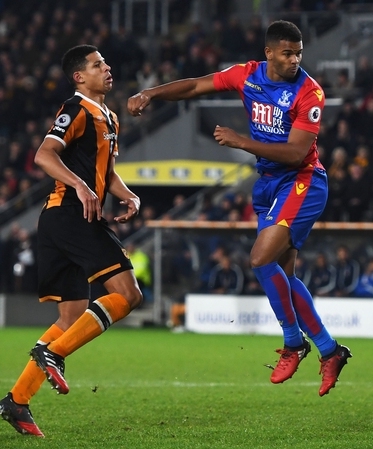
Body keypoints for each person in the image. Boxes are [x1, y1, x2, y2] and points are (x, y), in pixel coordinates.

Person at [127, 21, 351, 396]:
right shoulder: (246, 76)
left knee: (261, 259)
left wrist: (240, 142)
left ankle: (294, 342)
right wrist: (151, 93)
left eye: (298, 53)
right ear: (269, 53)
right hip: (267, 185)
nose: (295, 60)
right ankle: (330, 350)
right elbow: (197, 85)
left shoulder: (309, 92)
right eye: (287, 53)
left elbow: (298, 152)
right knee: (283, 275)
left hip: (303, 181)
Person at [0, 45, 143, 437]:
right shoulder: (75, 109)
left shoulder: (109, 115)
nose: (107, 68)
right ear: (79, 77)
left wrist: (127, 193)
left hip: (67, 219)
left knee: (70, 318)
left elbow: (106, 171)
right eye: (98, 65)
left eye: (106, 63)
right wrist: (80, 186)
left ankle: (18, 400)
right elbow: (44, 156)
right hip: (70, 216)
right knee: (128, 295)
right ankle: (53, 354)